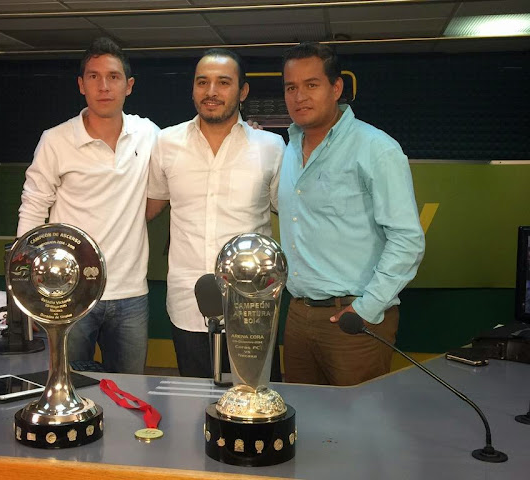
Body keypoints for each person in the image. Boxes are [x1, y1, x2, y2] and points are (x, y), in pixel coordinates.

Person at [278, 42, 425, 386]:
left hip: (354, 318)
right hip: (298, 315)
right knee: (303, 412)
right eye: (291, 87)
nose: (299, 96)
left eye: (311, 84)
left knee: (359, 417)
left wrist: (367, 307)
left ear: (336, 88)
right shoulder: (289, 149)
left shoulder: (376, 148)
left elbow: (407, 239)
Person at [17, 37, 159, 374]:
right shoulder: (56, 140)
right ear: (81, 85)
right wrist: (27, 289)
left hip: (130, 294)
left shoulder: (149, 134)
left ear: (129, 85)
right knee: (68, 386)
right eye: (94, 77)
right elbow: (33, 208)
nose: (103, 86)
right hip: (68, 293)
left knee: (129, 390)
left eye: (113, 77)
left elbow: (165, 187)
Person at [146, 48, 285, 378]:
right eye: (202, 82)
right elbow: (149, 207)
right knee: (195, 401)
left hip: (252, 305)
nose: (211, 91)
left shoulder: (270, 147)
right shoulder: (166, 142)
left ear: (243, 91)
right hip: (187, 302)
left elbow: (291, 213)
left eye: (223, 82)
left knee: (256, 400)